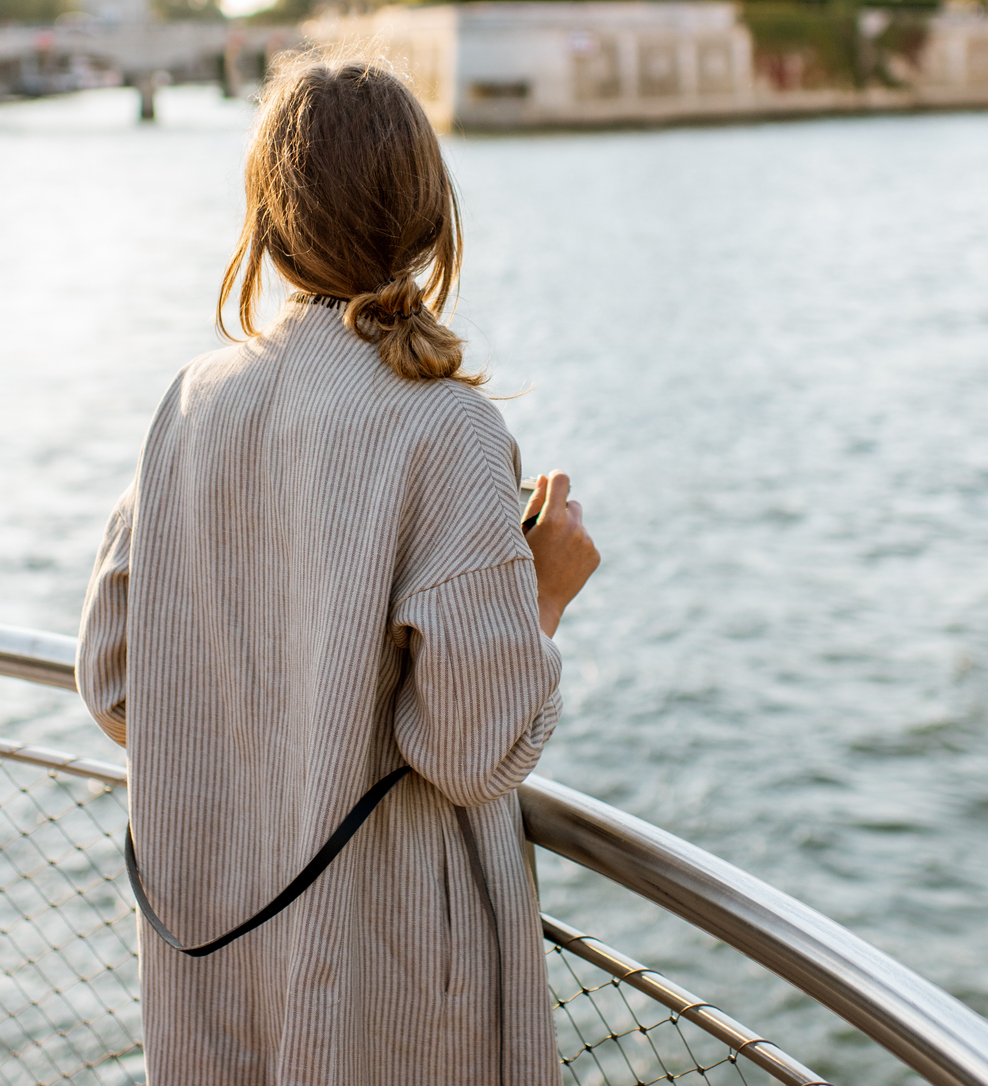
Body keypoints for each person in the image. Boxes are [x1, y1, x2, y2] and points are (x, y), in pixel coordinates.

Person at [78, 58, 600, 1086]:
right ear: (427, 219)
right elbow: (469, 746)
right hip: (388, 976)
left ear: (269, 224)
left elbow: (113, 681)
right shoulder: (447, 430)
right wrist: (539, 590)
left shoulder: (190, 403)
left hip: (219, 940)